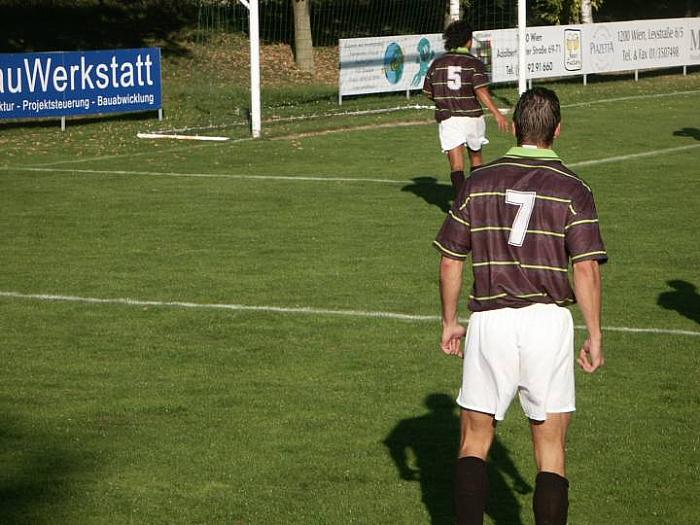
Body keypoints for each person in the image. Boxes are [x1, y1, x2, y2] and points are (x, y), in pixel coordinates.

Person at [433, 87, 607, 525]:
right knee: (550, 449)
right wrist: (594, 333)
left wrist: (450, 321)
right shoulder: (573, 188)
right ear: (558, 130)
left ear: (513, 127)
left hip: (490, 321)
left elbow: (451, 258)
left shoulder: (477, 183)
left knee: (474, 440)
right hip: (548, 323)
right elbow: (586, 267)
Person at [422, 20, 510, 194]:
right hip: (472, 117)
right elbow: (481, 91)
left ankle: (460, 203)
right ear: (468, 41)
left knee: (456, 165)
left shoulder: (437, 63)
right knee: (476, 159)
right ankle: (477, 199)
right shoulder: (474, 63)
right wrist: (497, 113)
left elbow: (428, 92)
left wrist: (444, 99)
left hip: (448, 118)